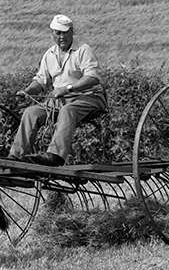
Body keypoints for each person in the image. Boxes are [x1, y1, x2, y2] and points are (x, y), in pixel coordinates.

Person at [7, 14, 108, 167]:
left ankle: (55, 156)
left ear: (72, 31)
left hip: (89, 98)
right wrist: (27, 91)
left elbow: (93, 78)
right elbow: (41, 81)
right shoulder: (49, 54)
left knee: (68, 111)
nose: (62, 36)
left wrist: (67, 88)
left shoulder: (83, 50)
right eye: (58, 33)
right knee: (31, 112)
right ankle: (17, 156)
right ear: (52, 34)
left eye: (65, 32)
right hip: (60, 101)